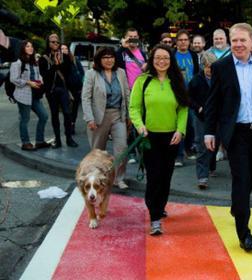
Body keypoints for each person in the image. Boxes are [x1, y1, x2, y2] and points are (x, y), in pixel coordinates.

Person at [204, 23, 252, 251]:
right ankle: (244, 233)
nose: (238, 44)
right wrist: (210, 132)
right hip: (236, 134)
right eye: (234, 40)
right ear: (230, 42)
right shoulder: (221, 67)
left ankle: (237, 206)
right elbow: (212, 103)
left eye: (242, 40)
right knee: (241, 180)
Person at [129, 44, 188, 235]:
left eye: (165, 58)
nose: (161, 61)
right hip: (149, 136)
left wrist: (180, 130)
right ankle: (154, 217)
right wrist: (139, 125)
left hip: (172, 137)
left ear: (171, 61)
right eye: (157, 58)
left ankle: (160, 205)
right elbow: (134, 108)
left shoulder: (177, 81)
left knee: (166, 176)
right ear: (152, 60)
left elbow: (183, 109)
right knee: (153, 177)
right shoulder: (143, 81)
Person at [81, 47, 130, 190]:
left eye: (111, 57)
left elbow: (127, 94)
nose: (109, 60)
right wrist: (89, 118)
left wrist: (128, 115)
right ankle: (96, 178)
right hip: (98, 117)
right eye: (105, 57)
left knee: (122, 148)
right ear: (99, 59)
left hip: (117, 115)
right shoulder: (92, 74)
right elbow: (85, 97)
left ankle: (118, 179)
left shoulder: (120, 73)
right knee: (97, 151)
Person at [39, 33, 78, 148]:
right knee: (54, 115)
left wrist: (63, 62)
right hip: (51, 91)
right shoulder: (43, 58)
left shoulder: (64, 56)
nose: (56, 43)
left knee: (67, 113)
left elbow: (69, 73)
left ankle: (69, 138)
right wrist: (55, 65)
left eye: (57, 42)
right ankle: (58, 140)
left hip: (63, 89)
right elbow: (45, 76)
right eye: (53, 42)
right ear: (48, 43)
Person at [10, 40, 50, 151]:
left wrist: (40, 81)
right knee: (25, 119)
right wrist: (28, 82)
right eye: (27, 46)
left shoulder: (34, 62)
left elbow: (38, 75)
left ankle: (39, 141)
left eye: (31, 46)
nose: (30, 48)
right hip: (23, 96)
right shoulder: (17, 62)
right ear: (23, 48)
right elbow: (13, 79)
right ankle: (26, 143)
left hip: (35, 95)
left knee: (44, 116)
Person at [115, 27, 148, 163]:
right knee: (129, 122)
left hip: (142, 92)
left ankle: (142, 150)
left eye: (135, 36)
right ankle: (131, 152)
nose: (133, 39)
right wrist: (123, 47)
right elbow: (115, 63)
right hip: (127, 92)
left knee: (141, 121)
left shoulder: (142, 53)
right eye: (130, 37)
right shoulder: (122, 53)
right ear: (125, 38)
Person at [189, 51, 218, 190]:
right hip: (201, 117)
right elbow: (188, 98)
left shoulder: (220, 78)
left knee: (214, 145)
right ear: (203, 66)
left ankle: (211, 166)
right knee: (201, 146)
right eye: (207, 67)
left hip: (217, 117)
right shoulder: (196, 80)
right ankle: (202, 177)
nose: (209, 70)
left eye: (212, 67)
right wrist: (198, 107)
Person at [174, 29, 200, 166]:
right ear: (176, 42)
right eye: (180, 40)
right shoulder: (172, 55)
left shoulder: (194, 56)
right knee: (179, 124)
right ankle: (178, 155)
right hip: (177, 93)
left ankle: (188, 148)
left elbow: (196, 73)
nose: (183, 42)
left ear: (189, 42)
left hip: (190, 94)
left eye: (185, 40)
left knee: (190, 123)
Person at [61, 43, 84, 135]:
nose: (64, 50)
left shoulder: (74, 59)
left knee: (74, 108)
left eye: (65, 48)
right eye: (62, 49)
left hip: (77, 88)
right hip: (66, 88)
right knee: (67, 109)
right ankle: (68, 126)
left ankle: (72, 124)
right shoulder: (59, 60)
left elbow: (81, 72)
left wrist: (82, 84)